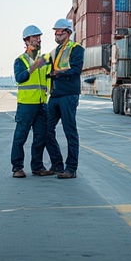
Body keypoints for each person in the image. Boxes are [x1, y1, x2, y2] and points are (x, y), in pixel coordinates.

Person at [42, 18, 84, 179]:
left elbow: (76, 70)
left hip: (69, 95)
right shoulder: (55, 51)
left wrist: (58, 73)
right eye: (55, 32)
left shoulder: (76, 49)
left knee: (69, 131)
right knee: (46, 129)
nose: (57, 34)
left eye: (60, 32)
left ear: (68, 33)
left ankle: (71, 168)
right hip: (55, 95)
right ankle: (57, 164)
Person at [11, 25, 53, 178]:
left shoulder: (45, 60)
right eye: (35, 37)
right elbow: (20, 78)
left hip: (42, 105)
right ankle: (17, 168)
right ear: (26, 41)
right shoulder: (20, 61)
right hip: (26, 106)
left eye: (39, 37)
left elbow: (50, 77)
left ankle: (37, 166)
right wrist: (34, 66)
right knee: (20, 137)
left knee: (40, 137)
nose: (38, 40)